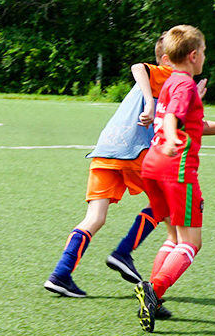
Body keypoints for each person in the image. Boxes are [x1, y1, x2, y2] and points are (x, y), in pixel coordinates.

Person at [133, 24, 215, 331]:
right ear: (193, 55)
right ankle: (154, 290)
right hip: (175, 167)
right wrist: (168, 138)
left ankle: (153, 298)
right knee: (192, 242)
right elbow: (172, 118)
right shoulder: (186, 86)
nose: (205, 56)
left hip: (153, 166)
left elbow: (196, 125)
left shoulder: (171, 81)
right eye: (204, 51)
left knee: (173, 237)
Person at [43, 41, 173, 298]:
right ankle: (123, 253)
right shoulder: (167, 74)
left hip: (105, 149)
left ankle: (61, 274)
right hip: (134, 151)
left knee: (95, 217)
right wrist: (149, 102)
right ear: (167, 59)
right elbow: (138, 67)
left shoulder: (169, 84)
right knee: (166, 204)